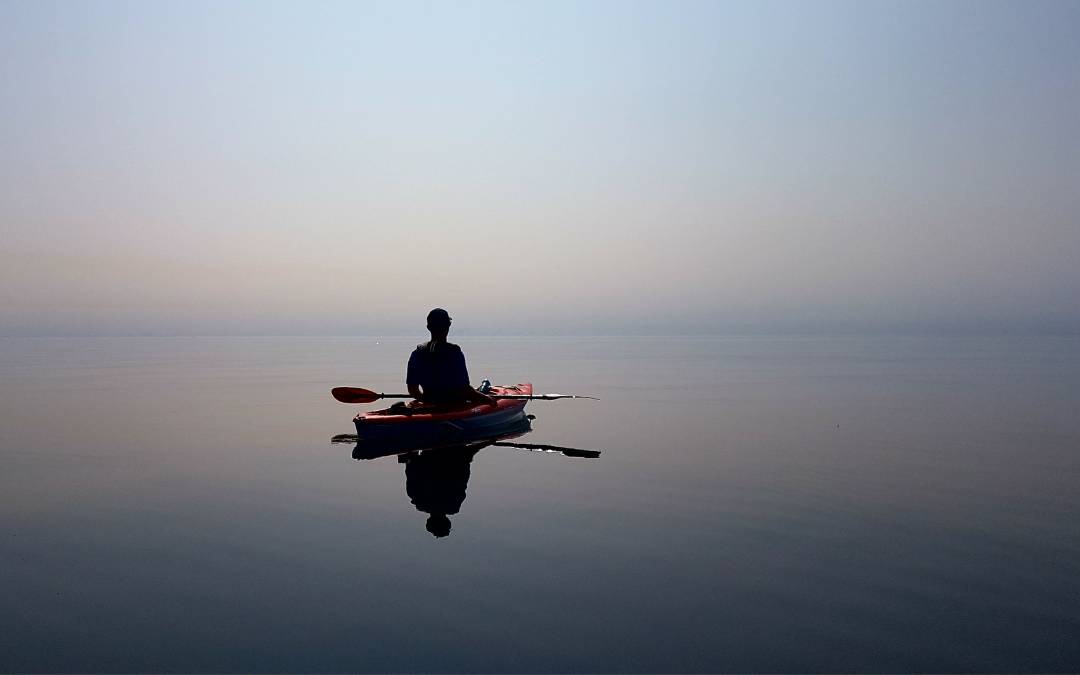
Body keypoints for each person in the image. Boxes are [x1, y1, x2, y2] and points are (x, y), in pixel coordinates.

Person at [406, 308, 497, 407]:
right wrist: (487, 399)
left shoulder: (416, 354)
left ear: (428, 327)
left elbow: (413, 390)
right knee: (483, 395)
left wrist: (427, 401)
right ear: (448, 326)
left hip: (430, 403)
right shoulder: (454, 353)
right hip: (455, 406)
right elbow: (465, 389)